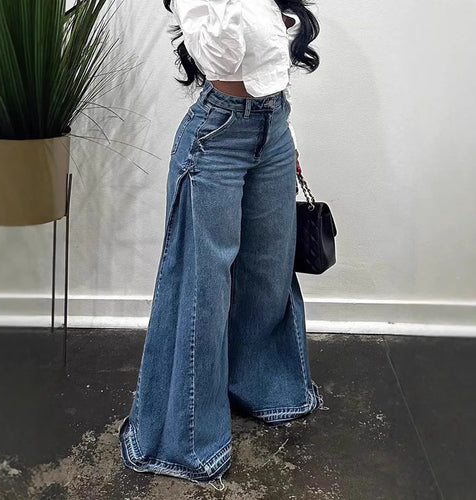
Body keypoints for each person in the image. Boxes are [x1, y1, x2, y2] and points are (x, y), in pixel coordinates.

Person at [118, 0, 325, 485]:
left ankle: (265, 389)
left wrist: (288, 137)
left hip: (273, 128)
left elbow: (273, 64)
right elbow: (224, 57)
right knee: (203, 290)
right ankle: (187, 440)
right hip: (217, 136)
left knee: (268, 273)